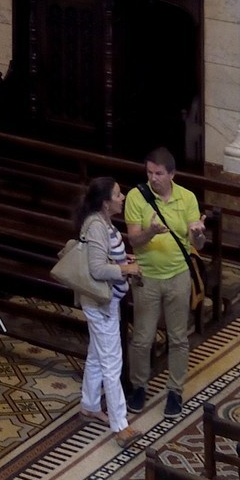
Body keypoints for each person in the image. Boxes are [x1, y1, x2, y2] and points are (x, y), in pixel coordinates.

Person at [124, 145, 205, 416]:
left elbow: (198, 244)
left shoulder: (188, 198)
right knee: (143, 338)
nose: (153, 178)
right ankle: (138, 387)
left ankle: (175, 391)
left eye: (158, 173)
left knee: (178, 337)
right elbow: (134, 239)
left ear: (172, 174)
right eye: (149, 173)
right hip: (146, 277)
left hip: (178, 276)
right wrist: (151, 232)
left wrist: (198, 233)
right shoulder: (137, 196)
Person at [74, 176, 141, 437]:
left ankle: (90, 405)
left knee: (97, 354)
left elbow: (106, 256)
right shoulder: (96, 227)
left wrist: (125, 259)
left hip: (107, 301)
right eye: (117, 194)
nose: (122, 197)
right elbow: (98, 268)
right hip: (101, 303)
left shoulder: (102, 222)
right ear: (105, 203)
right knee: (113, 362)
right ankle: (120, 424)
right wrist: (127, 268)